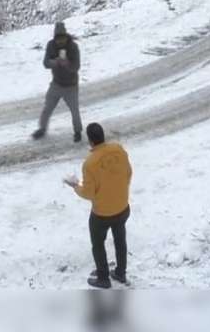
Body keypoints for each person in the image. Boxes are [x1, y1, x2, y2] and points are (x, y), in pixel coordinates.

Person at [64, 122, 132, 289]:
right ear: (103, 135)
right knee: (120, 239)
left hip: (102, 214)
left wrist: (75, 186)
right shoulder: (119, 150)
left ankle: (103, 277)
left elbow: (88, 193)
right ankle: (121, 272)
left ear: (90, 141)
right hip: (123, 208)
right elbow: (129, 173)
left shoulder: (90, 163)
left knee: (98, 243)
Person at [32, 22, 82, 141]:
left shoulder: (73, 47)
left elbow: (76, 67)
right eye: (58, 39)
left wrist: (67, 64)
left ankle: (78, 131)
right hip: (56, 84)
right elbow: (45, 63)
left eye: (62, 38)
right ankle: (42, 129)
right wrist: (55, 62)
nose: (60, 41)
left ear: (66, 36)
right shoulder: (51, 45)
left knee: (74, 110)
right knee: (47, 107)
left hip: (71, 86)